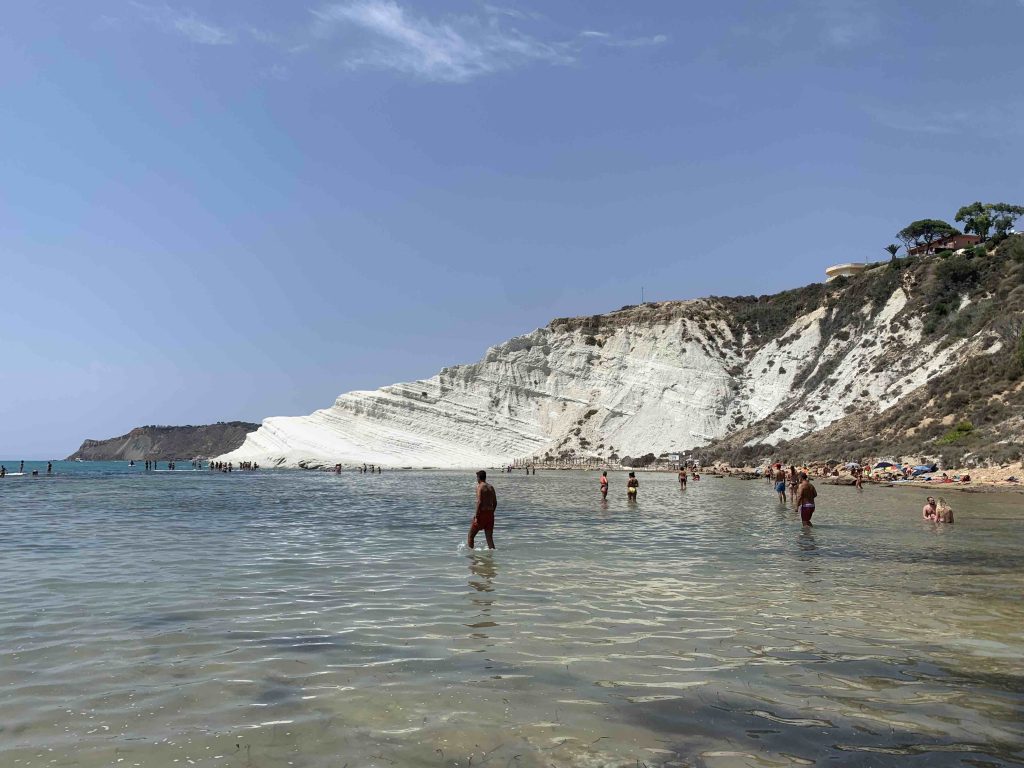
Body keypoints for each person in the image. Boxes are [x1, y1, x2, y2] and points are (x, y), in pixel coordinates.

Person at [468, 470, 497, 549]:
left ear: (478, 478)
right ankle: (491, 558)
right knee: (489, 538)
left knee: (471, 535)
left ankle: (471, 557)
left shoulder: (479, 487)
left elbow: (479, 502)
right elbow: (495, 502)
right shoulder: (491, 487)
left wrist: (477, 516)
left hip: (482, 513)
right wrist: (491, 513)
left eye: (477, 478)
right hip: (490, 514)